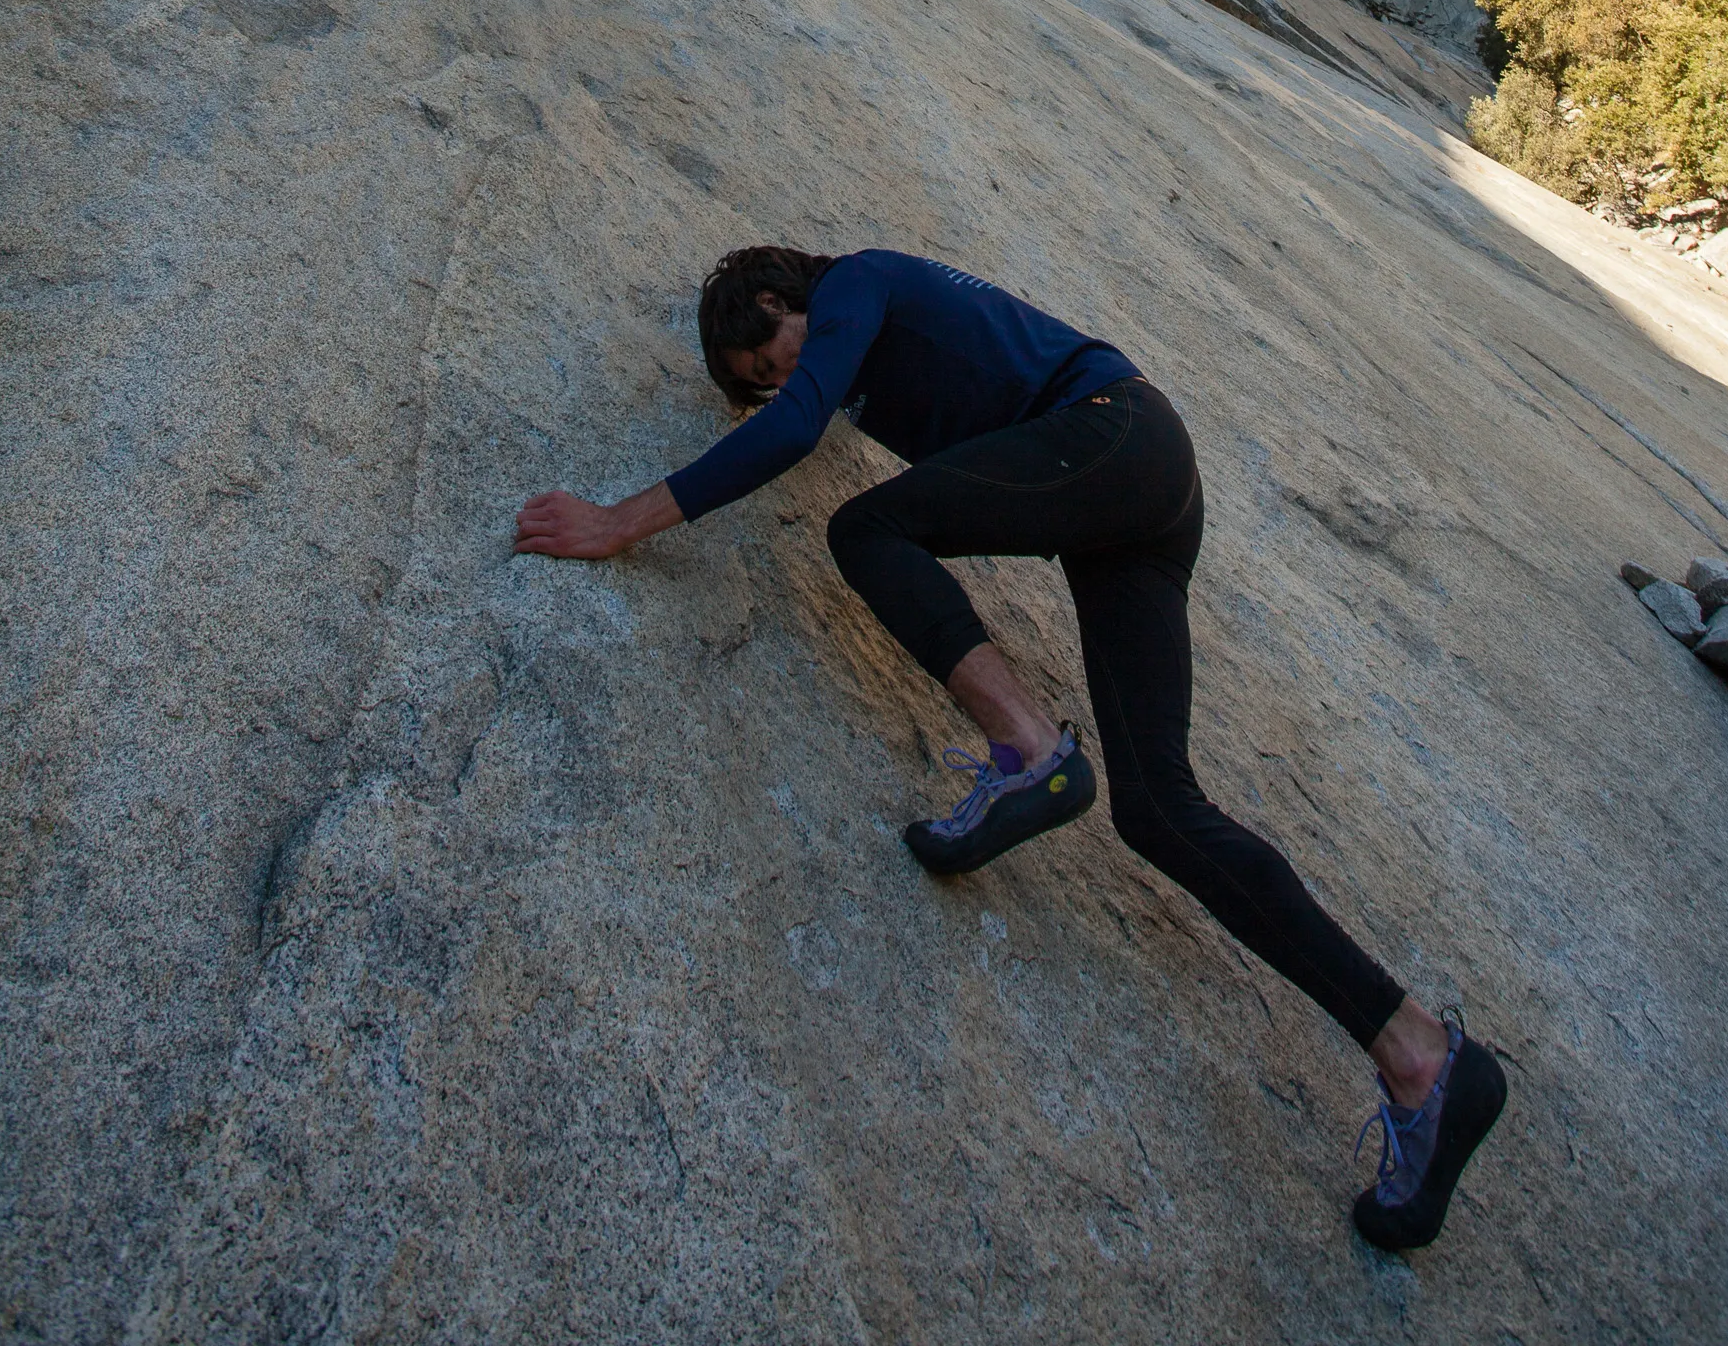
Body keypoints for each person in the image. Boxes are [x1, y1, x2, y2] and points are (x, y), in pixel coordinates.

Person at [514, 244, 1506, 1251]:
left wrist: (623, 521)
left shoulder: (852, 278)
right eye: (760, 386)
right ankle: (1418, 1053)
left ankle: (1028, 747)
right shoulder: (876, 332)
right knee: (1159, 811)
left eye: (768, 360)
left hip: (1110, 434)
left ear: (776, 298)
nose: (781, 388)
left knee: (866, 529)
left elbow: (802, 423)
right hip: (1134, 493)